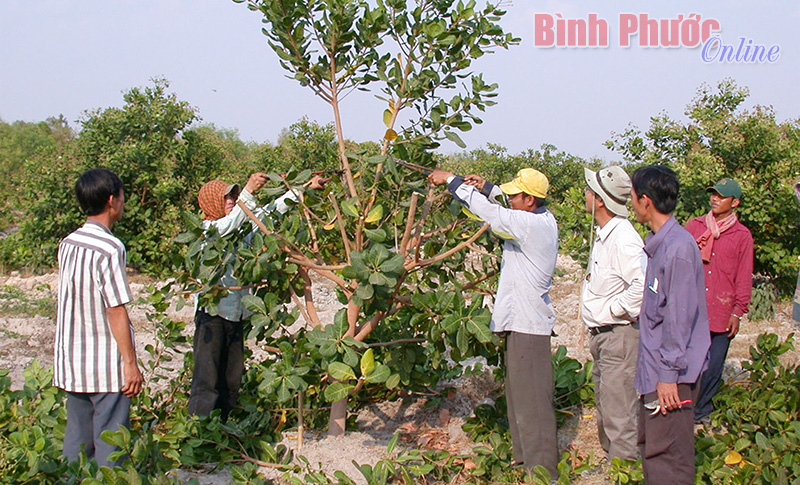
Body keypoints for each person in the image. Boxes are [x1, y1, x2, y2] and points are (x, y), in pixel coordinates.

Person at [427, 167, 559, 477]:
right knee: (519, 399)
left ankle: (544, 474)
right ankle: (526, 464)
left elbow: (494, 214)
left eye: (516, 194)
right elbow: (503, 205)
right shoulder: (538, 216)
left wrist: (450, 181)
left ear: (530, 199)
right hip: (521, 322)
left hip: (529, 325)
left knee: (534, 404)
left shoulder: (528, 224)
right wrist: (486, 185)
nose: (510, 198)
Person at [188, 172, 325, 418]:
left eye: (233, 196)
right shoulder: (207, 230)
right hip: (212, 316)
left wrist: (304, 188)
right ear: (211, 203)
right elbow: (227, 227)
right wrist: (248, 192)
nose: (231, 200)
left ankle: (224, 427)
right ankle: (199, 431)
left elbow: (269, 213)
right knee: (206, 381)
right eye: (226, 197)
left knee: (231, 378)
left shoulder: (240, 227)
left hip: (237, 314)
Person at [53, 168, 144, 467]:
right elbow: (115, 309)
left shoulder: (68, 243)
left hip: (73, 361)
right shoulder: (110, 247)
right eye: (121, 195)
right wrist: (130, 364)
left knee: (76, 444)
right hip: (105, 365)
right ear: (111, 200)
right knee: (111, 445)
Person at [629, 165, 710, 484]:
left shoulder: (677, 250)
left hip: (672, 378)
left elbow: (678, 320)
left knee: (669, 459)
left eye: (633, 197)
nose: (632, 203)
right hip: (658, 372)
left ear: (645, 200)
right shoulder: (660, 245)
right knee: (654, 452)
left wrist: (667, 377)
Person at [581, 166, 644, 461]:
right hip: (604, 336)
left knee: (620, 415)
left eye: (589, 190)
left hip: (618, 335)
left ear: (601, 200)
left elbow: (642, 287)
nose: (585, 194)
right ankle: (613, 464)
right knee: (607, 407)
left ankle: (626, 471)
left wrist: (613, 310)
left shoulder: (624, 239)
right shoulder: (605, 234)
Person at [685, 178, 753, 424]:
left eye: (721, 196)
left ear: (735, 203)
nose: (714, 199)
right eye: (713, 194)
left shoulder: (742, 236)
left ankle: (702, 411)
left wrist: (737, 312)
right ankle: (684, 409)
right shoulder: (694, 227)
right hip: (692, 307)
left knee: (713, 366)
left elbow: (743, 276)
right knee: (688, 361)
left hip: (721, 309)